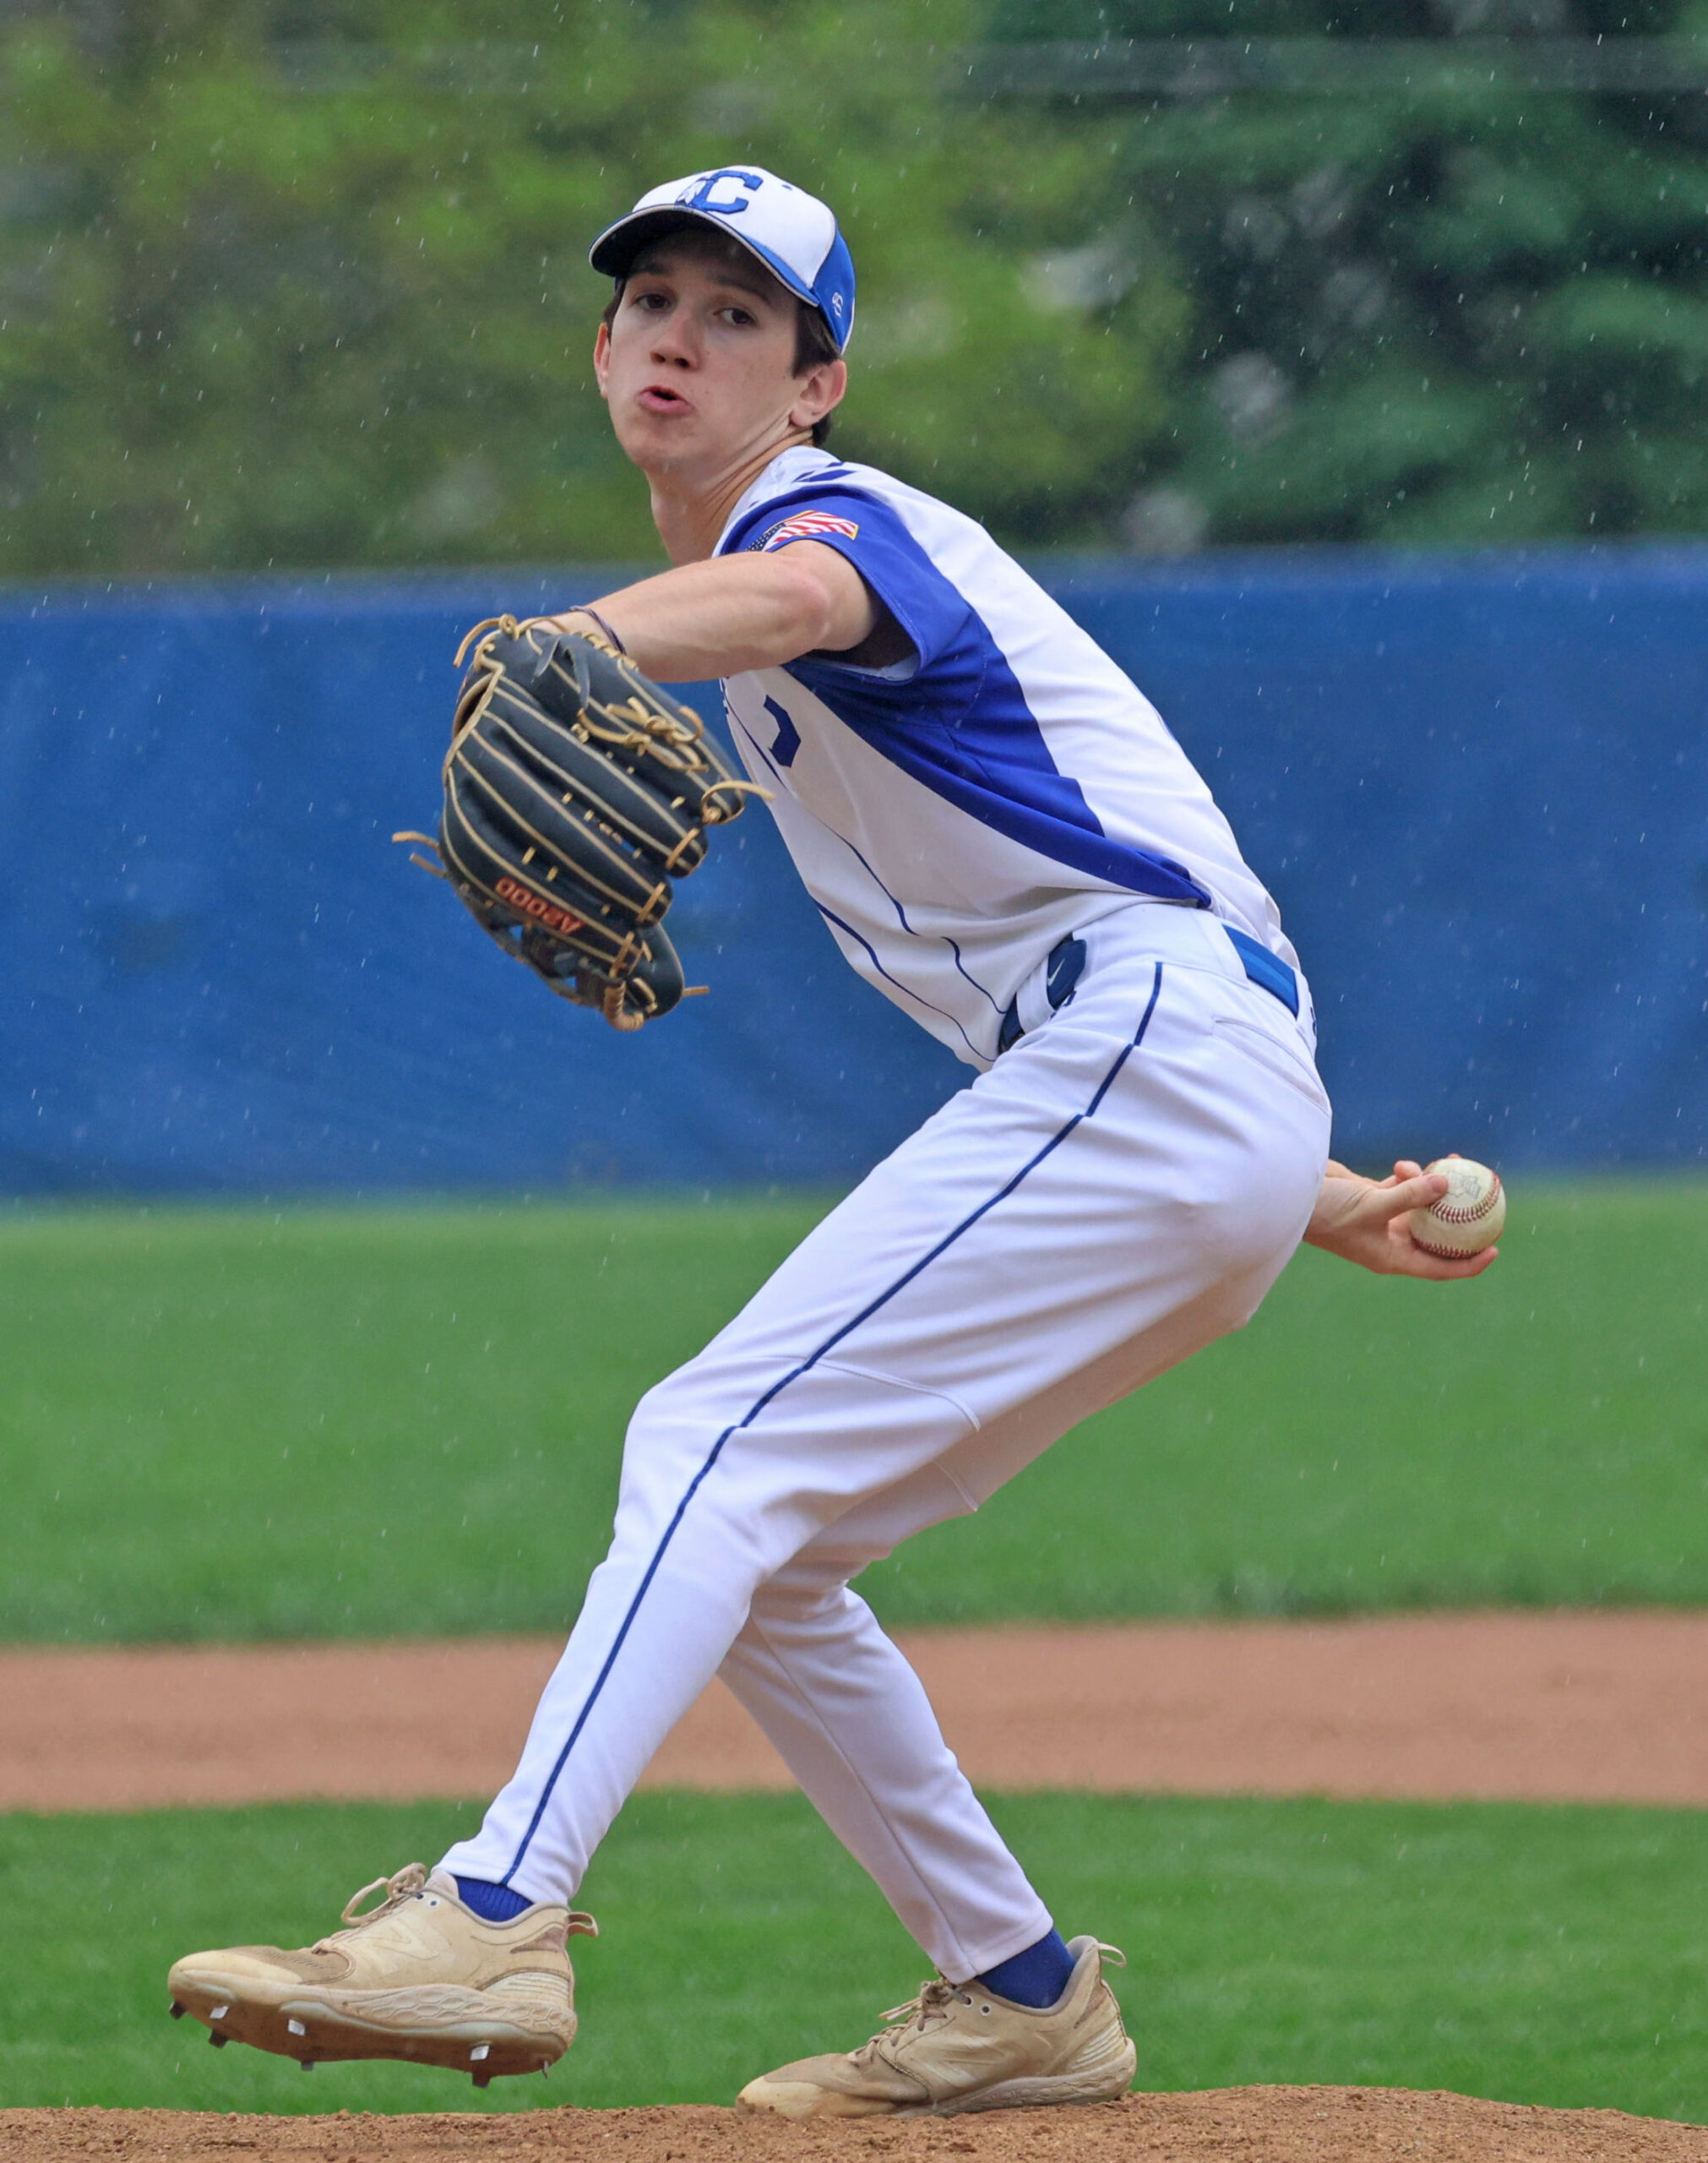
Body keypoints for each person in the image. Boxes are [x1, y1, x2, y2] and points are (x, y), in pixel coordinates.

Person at [166, 167, 1496, 2119]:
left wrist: (588, 638)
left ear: (817, 381)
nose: (680, 338)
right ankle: (1020, 1986)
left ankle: (491, 1907)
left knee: (702, 1440)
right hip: (1178, 1085)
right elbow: (1080, 975)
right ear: (605, 350)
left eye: (737, 315)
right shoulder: (785, 681)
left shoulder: (835, 527)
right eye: (652, 307)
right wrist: (1312, 1198)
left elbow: (800, 598)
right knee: (768, 1548)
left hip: (1156, 1045)